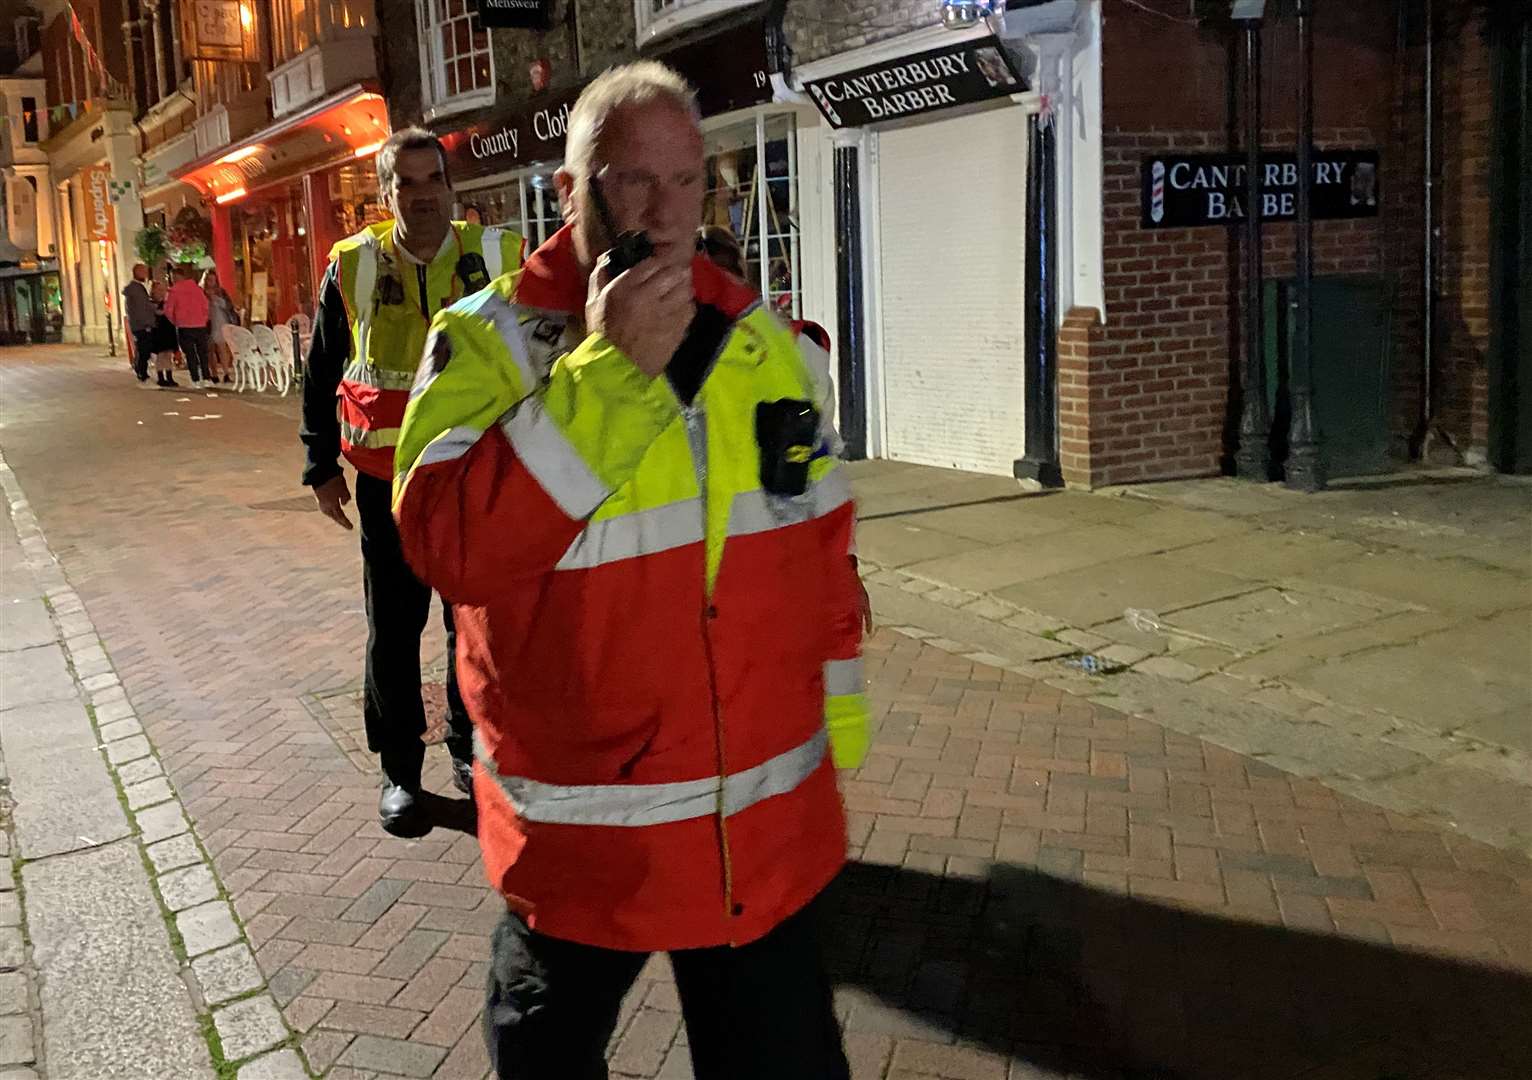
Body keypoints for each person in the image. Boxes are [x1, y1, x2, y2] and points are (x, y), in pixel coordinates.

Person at [392, 63, 868, 1080]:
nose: (663, 210)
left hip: (759, 837)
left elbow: (821, 549)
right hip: (582, 842)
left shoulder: (767, 344)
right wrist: (608, 374)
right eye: (629, 181)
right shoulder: (488, 341)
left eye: (685, 182)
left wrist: (838, 735)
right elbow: (445, 545)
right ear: (569, 192)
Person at [299, 127, 525, 835]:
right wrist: (318, 465)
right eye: (408, 183)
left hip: (474, 479)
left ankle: (469, 750)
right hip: (386, 482)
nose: (423, 196)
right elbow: (322, 368)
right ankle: (400, 770)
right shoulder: (354, 265)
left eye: (435, 181)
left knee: (473, 624)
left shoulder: (497, 257)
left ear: (450, 189)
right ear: (386, 191)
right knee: (393, 630)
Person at [696, 227, 872, 633]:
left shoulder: (796, 355)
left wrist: (845, 567)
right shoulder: (659, 357)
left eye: (723, 280)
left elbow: (821, 469)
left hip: (775, 559)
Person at [164, 264, 213, 388]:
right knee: (203, 353)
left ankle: (195, 379)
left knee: (190, 353)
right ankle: (206, 377)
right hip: (200, 325)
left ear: (175, 277)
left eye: (172, 277)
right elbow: (206, 305)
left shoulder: (174, 291)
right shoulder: (197, 289)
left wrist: (175, 321)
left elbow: (169, 310)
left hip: (184, 326)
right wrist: (204, 319)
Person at [123, 263, 157, 388]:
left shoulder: (137, 288)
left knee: (143, 350)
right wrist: (147, 323)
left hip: (140, 324)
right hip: (142, 325)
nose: (146, 274)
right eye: (144, 272)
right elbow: (140, 309)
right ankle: (142, 375)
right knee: (144, 350)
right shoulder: (136, 289)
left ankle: (141, 372)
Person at [202, 270, 237, 385]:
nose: (211, 282)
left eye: (213, 280)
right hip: (208, 322)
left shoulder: (221, 292)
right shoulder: (202, 293)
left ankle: (226, 372)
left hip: (220, 321)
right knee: (210, 349)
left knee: (222, 348)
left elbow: (228, 306)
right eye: (209, 280)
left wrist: (216, 299)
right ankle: (214, 373)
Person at [147, 280, 180, 389]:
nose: (161, 292)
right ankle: (161, 377)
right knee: (161, 355)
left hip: (168, 329)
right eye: (159, 290)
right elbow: (158, 313)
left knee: (168, 354)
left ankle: (169, 376)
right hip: (159, 331)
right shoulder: (152, 303)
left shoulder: (167, 302)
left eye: (163, 290)